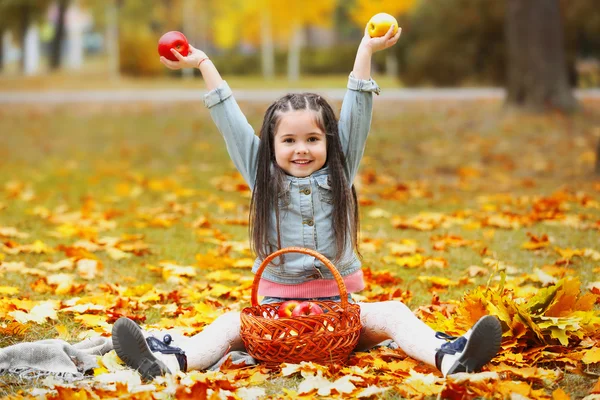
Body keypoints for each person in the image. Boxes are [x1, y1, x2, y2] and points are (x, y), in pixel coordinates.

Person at [112, 23, 502, 380]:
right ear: (272, 146)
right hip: (275, 317)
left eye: (312, 139)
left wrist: (365, 50)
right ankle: (166, 362)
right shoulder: (262, 175)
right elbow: (229, 120)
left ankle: (451, 357)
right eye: (289, 141)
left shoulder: (340, 171)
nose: (302, 149)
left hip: (341, 314)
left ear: (329, 142)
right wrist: (203, 63)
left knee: (395, 313)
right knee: (229, 326)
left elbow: (358, 112)